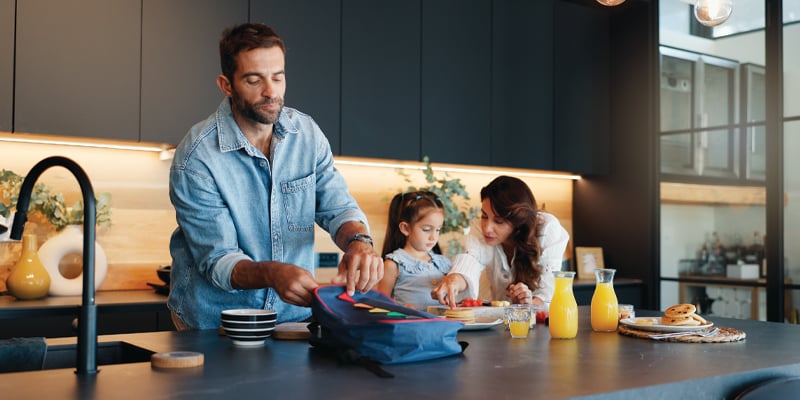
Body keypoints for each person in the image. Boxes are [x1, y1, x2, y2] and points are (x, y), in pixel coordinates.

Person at [167, 22, 383, 330]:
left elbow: (338, 208)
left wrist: (358, 242)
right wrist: (273, 273)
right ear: (226, 85)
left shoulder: (307, 135)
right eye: (254, 80)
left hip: (291, 319)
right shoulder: (197, 156)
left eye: (277, 77)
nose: (271, 92)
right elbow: (219, 261)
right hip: (215, 324)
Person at [431, 176, 569, 308]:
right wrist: (454, 280)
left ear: (518, 223)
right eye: (484, 216)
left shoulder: (547, 228)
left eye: (499, 221)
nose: (487, 228)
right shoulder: (479, 227)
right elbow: (471, 258)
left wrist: (528, 303)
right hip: (501, 320)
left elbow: (549, 296)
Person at [377, 191, 452, 310]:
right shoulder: (393, 265)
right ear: (405, 228)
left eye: (438, 230)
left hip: (443, 327)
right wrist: (401, 309)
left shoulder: (444, 263)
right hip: (409, 327)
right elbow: (380, 306)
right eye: (427, 229)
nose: (434, 237)